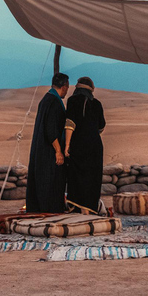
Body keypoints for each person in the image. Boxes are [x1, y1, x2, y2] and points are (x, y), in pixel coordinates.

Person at [26, 72, 69, 213]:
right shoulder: (54, 102)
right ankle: (50, 212)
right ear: (64, 86)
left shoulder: (46, 99)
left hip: (41, 151)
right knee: (50, 184)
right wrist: (58, 151)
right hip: (49, 153)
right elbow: (51, 130)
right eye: (67, 87)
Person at [64, 77, 106, 213]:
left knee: (77, 175)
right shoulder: (97, 104)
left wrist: (67, 145)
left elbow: (70, 124)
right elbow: (101, 127)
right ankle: (88, 209)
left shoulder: (72, 101)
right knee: (91, 177)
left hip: (79, 145)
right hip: (95, 146)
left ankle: (78, 208)